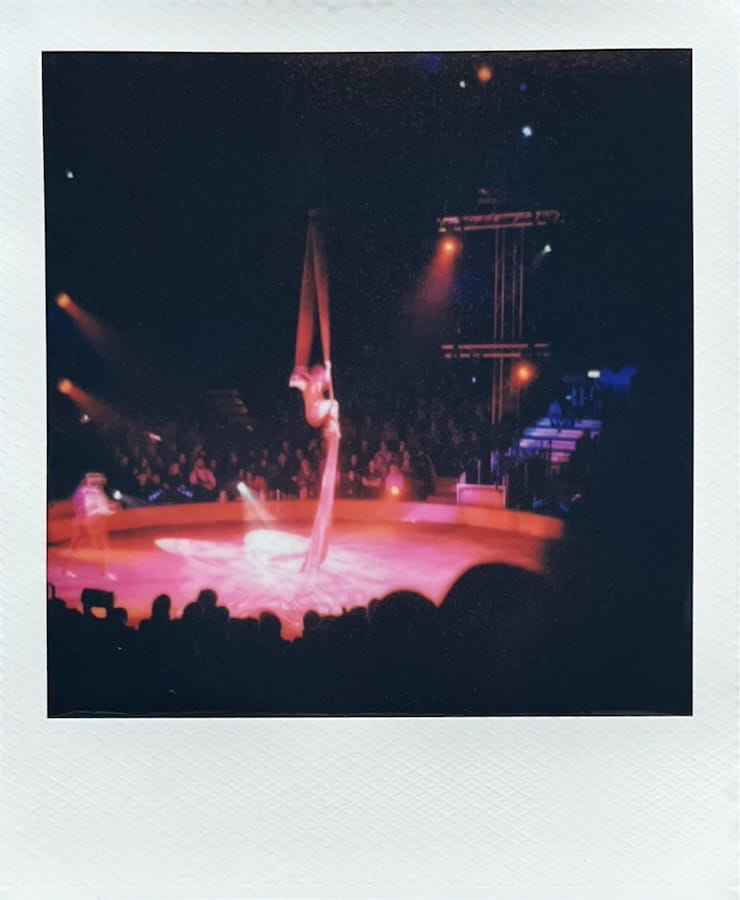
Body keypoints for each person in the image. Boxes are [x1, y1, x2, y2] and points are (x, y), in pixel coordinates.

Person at [64, 472, 119, 579]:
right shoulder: (95, 492)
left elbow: (77, 506)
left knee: (74, 546)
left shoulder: (81, 491)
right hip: (92, 521)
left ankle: (66, 569)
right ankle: (103, 572)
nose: (99, 483)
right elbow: (102, 508)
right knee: (100, 547)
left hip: (81, 521)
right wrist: (112, 508)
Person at [289, 363, 341, 437]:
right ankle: (332, 428)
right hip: (313, 413)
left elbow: (327, 382)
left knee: (333, 405)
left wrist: (328, 369)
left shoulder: (318, 384)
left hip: (317, 411)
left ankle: (331, 428)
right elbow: (294, 382)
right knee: (334, 404)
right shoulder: (307, 382)